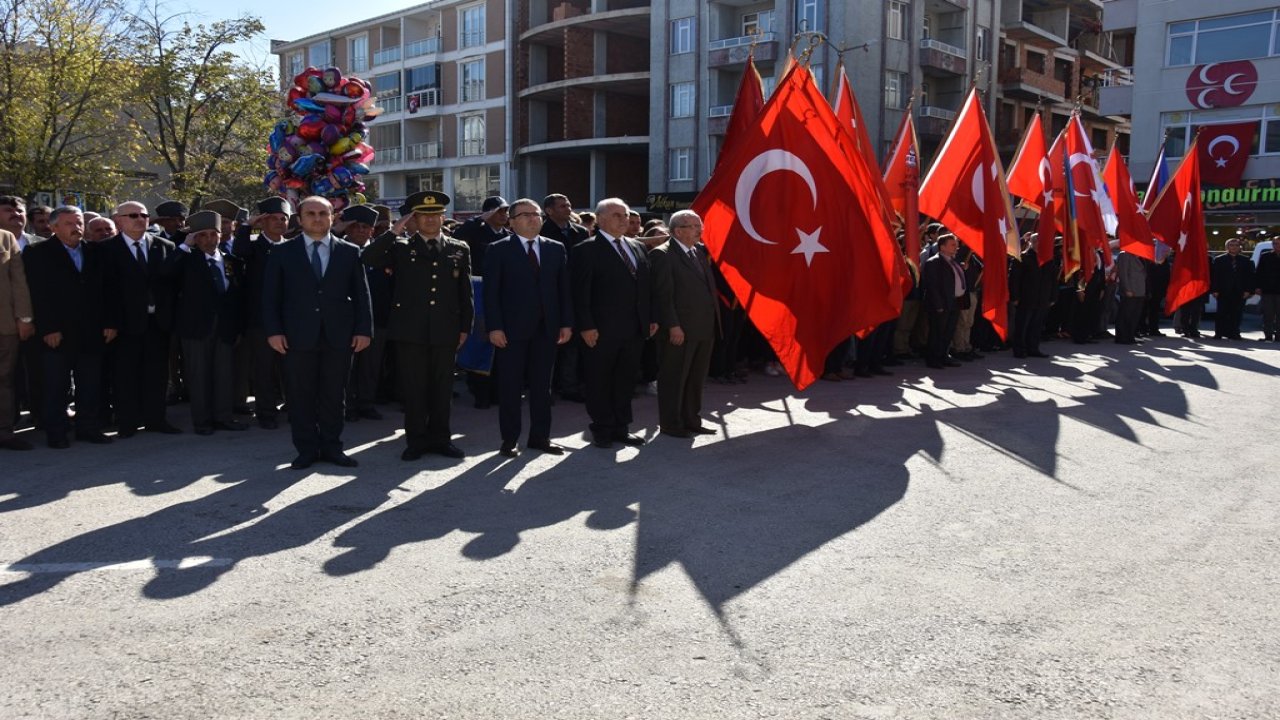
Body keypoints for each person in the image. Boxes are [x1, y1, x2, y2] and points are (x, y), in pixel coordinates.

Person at [362, 191, 472, 461]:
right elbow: (368, 257)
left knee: (442, 387)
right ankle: (416, 440)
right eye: (424, 215)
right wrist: (394, 230)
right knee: (414, 387)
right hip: (410, 330)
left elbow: (464, 292)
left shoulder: (459, 248)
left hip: (445, 328)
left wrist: (465, 327)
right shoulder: (401, 248)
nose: (431, 220)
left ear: (443, 217)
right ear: (415, 218)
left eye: (436, 215)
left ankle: (441, 439)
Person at [263, 196, 372, 469]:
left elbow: (362, 295)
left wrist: (363, 330)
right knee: (300, 395)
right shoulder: (282, 252)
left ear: (332, 218)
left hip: (339, 335)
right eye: (310, 213)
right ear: (299, 220)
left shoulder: (349, 252)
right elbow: (270, 297)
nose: (317, 218)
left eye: (323, 213)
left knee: (335, 394)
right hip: (297, 336)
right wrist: (274, 331)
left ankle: (333, 447)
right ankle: (306, 449)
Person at [484, 198, 573, 457]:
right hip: (511, 331)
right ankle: (509, 439)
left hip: (547, 329)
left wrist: (566, 323)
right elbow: (491, 293)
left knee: (542, 388)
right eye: (525, 215)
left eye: (536, 214)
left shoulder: (555, 248)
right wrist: (494, 327)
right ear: (511, 222)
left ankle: (540, 437)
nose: (533, 218)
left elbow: (563, 290)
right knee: (510, 387)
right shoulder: (498, 249)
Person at [22, 206, 118, 448]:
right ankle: (57, 431)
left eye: (78, 223)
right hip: (58, 333)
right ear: (53, 227)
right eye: (69, 223)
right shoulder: (38, 252)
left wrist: (110, 322)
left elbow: (108, 290)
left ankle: (88, 427)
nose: (76, 228)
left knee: (90, 384)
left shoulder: (95, 252)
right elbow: (38, 294)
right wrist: (48, 328)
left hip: (92, 331)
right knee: (56, 385)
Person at [572, 198, 655, 448]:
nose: (625, 219)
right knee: (600, 380)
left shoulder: (636, 246)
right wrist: (586, 325)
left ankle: (622, 426)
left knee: (626, 379)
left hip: (634, 329)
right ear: (600, 219)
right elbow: (580, 292)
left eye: (626, 214)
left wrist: (650, 318)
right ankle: (602, 428)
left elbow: (645, 288)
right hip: (601, 330)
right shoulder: (586, 250)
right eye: (617, 215)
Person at [164, 211, 246, 435]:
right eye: (203, 235)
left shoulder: (231, 262)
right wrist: (184, 245)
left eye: (214, 234)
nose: (209, 239)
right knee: (199, 376)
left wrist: (237, 327)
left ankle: (223, 417)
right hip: (196, 328)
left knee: (224, 374)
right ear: (195, 238)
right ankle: (202, 421)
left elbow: (237, 296)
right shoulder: (187, 260)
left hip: (225, 328)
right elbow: (165, 274)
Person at [105, 201, 181, 436]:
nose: (140, 219)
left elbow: (172, 286)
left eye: (144, 215)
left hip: (157, 322)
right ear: (119, 220)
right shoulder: (106, 249)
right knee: (125, 374)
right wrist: (109, 323)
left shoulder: (164, 245)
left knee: (157, 374)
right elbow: (103, 291)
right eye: (133, 215)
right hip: (125, 325)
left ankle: (156, 419)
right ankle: (127, 422)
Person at [650, 210, 718, 438]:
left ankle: (692, 419)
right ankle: (671, 423)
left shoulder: (697, 251)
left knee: (696, 378)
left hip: (703, 326)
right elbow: (663, 295)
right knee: (674, 378)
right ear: (678, 230)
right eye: (694, 226)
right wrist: (673, 325)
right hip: (679, 329)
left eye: (700, 226)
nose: (700, 230)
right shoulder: (663, 255)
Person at [231, 197, 293, 429]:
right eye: (273, 219)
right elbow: (238, 251)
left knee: (291, 369)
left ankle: (294, 408)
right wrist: (248, 226)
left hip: (290, 319)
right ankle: (266, 413)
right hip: (260, 320)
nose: (279, 223)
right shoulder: (254, 245)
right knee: (264, 369)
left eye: (283, 219)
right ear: (263, 222)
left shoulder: (292, 246)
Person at [450, 195, 510, 409]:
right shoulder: (475, 231)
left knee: (500, 343)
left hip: (502, 291)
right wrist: (478, 219)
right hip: (479, 288)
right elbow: (457, 239)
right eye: (499, 211)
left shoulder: (507, 235)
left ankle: (495, 391)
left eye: (506, 211)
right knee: (480, 341)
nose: (504, 215)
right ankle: (480, 393)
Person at [337, 204, 389, 422]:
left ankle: (366, 403)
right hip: (343, 320)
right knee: (344, 366)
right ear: (347, 229)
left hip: (376, 318)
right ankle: (346, 406)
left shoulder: (383, 252)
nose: (360, 231)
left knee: (370, 365)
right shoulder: (336, 250)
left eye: (366, 227)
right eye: (355, 226)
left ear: (373, 230)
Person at [0, 227, 34, 450]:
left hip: (4, 325)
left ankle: (4, 432)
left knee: (4, 380)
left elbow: (18, 281)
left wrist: (24, 318)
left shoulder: (5, 237)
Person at [921, 233, 965, 369]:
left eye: (956, 244)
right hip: (941, 304)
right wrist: (938, 304)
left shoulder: (953, 261)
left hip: (954, 302)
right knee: (937, 332)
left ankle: (943, 355)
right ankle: (933, 358)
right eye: (952, 245)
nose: (956, 247)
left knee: (948, 332)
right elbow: (932, 286)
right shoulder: (933, 262)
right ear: (942, 247)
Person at [1211, 238, 1255, 340]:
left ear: (1240, 247)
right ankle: (1219, 333)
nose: (1234, 247)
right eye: (1231, 245)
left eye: (1236, 245)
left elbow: (1250, 277)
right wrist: (1215, 290)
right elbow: (1215, 276)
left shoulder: (1246, 260)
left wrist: (1248, 290)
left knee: (1236, 313)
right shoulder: (1219, 260)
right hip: (1223, 291)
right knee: (1221, 313)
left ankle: (1234, 333)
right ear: (1227, 247)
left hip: (1239, 291)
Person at [1114, 249, 1147, 345]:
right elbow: (1123, 273)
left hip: (1140, 290)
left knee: (1134, 315)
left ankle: (1130, 336)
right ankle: (1122, 337)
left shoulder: (1141, 256)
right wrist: (1127, 289)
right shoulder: (1125, 255)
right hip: (1130, 290)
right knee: (1125, 314)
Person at [1255, 240, 1280, 342]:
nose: (1277, 245)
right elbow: (1259, 272)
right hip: (1267, 290)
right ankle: (1268, 335)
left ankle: (1279, 337)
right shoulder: (1265, 256)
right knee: (1268, 315)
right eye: (1275, 243)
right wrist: (1257, 287)